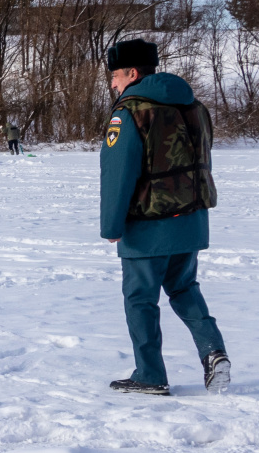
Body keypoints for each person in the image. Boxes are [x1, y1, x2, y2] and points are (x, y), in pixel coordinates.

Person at [99, 38, 231, 396]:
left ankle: (150, 374)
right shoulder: (194, 107)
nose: (112, 83)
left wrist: (111, 226)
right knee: (184, 288)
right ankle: (213, 351)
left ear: (133, 73)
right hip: (190, 220)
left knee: (140, 299)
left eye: (115, 75)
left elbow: (118, 172)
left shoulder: (129, 112)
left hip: (147, 226)